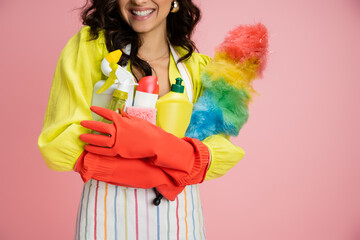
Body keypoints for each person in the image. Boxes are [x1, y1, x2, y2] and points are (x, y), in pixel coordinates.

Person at [38, 0, 245, 239]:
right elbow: (58, 140)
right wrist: (158, 174)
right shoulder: (92, 49)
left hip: (180, 223)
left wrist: (162, 146)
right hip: (107, 219)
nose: (139, 0)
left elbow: (218, 146)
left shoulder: (196, 68)